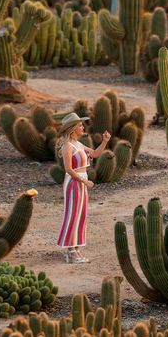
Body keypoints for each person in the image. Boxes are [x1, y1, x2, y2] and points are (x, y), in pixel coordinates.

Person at [56, 112, 111, 264]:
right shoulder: (68, 146)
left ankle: (76, 248)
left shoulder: (78, 144)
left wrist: (105, 141)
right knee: (73, 214)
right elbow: (68, 169)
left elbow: (94, 154)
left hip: (81, 181)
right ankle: (71, 251)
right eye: (80, 125)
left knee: (81, 214)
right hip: (74, 182)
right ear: (73, 128)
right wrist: (84, 181)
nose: (82, 127)